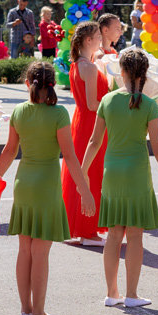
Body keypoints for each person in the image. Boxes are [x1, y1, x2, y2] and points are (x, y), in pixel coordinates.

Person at [82, 48, 158, 305]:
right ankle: (131, 295)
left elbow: (94, 141)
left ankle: (110, 293)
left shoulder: (107, 100)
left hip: (112, 173)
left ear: (123, 72)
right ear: (144, 73)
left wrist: (81, 173)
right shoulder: (149, 105)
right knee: (135, 236)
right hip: (137, 173)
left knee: (114, 235)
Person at [0, 61, 94, 315]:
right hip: (47, 184)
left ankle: (25, 310)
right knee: (41, 251)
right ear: (53, 84)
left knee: (24, 249)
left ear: (28, 84)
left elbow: (8, 152)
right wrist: (84, 191)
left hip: (23, 183)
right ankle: (38, 312)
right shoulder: (59, 113)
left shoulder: (18, 111)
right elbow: (70, 157)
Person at [61, 22, 108, 247]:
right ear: (88, 40)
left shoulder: (79, 64)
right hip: (90, 122)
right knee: (91, 172)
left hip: (81, 122)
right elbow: (92, 103)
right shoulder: (88, 67)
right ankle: (88, 231)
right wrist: (114, 105)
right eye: (98, 36)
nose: (100, 40)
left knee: (80, 172)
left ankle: (80, 227)